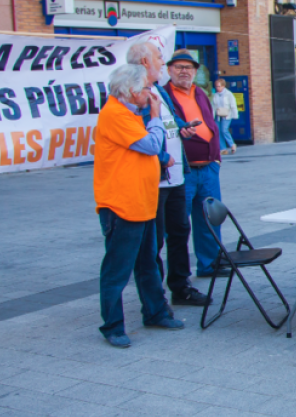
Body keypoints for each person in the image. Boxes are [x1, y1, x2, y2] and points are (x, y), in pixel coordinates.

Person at [93, 64, 185, 348]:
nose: (150, 93)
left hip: (143, 202)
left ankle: (156, 312)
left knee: (148, 264)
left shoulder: (129, 114)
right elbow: (152, 145)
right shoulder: (115, 114)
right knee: (117, 270)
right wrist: (156, 116)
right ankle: (112, 326)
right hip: (122, 206)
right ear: (132, 91)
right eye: (146, 88)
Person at [126, 43, 209, 308]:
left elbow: (169, 121)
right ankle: (154, 298)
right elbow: (136, 136)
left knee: (180, 232)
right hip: (155, 179)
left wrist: (183, 128)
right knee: (154, 240)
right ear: (144, 61)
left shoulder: (158, 90)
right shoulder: (134, 93)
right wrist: (162, 157)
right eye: (159, 58)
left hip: (176, 177)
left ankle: (181, 287)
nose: (163, 63)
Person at [163, 50, 225, 279]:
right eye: (179, 67)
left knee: (210, 219)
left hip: (208, 167)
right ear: (169, 70)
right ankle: (179, 275)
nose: (184, 71)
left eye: (188, 67)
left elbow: (210, 123)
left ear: (195, 71)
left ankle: (210, 264)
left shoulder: (200, 92)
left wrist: (216, 159)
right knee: (178, 225)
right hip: (183, 169)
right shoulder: (163, 95)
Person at [212, 78, 239, 155]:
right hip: (218, 116)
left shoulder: (229, 94)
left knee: (224, 130)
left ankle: (232, 144)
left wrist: (235, 115)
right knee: (218, 131)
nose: (217, 88)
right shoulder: (215, 95)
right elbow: (213, 106)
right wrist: (212, 116)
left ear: (223, 86)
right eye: (216, 86)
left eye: (219, 86)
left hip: (227, 115)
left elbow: (233, 105)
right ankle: (223, 149)